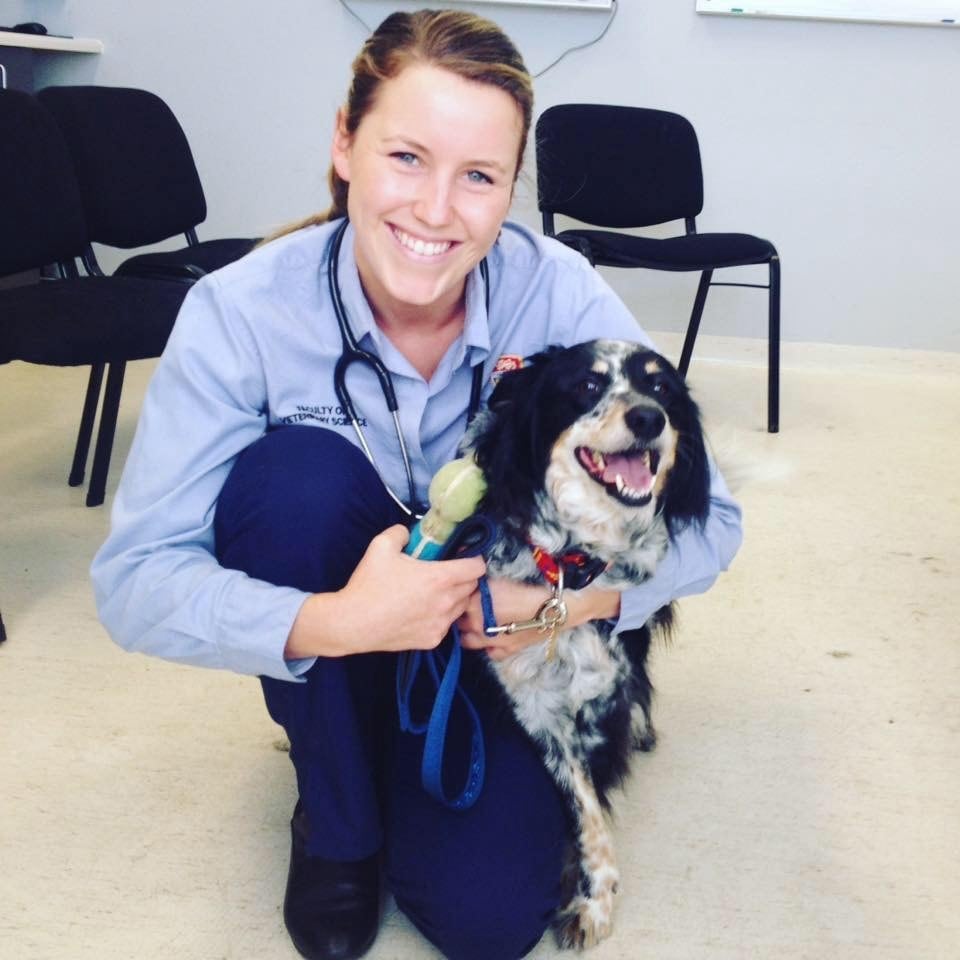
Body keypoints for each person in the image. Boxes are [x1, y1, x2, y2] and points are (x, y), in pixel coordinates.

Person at [91, 9, 742, 960]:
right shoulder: (238, 313)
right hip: (334, 603)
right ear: (344, 145)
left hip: (495, 634)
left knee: (490, 922)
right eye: (406, 157)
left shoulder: (555, 288)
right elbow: (135, 583)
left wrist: (562, 605)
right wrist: (341, 625)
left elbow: (713, 524)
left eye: (478, 176)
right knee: (291, 485)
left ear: (510, 189)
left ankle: (389, 744)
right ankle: (339, 816)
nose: (438, 211)